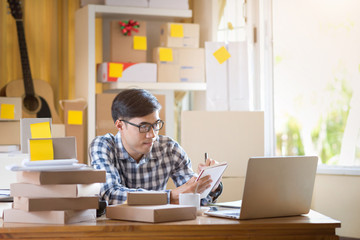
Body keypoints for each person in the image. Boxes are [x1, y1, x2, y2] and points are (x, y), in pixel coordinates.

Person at [89, 88, 223, 205]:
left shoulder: (169, 148)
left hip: (156, 226)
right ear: (120, 125)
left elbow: (193, 196)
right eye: (144, 127)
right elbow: (111, 194)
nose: (152, 135)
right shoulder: (103, 146)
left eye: (156, 125)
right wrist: (171, 196)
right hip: (116, 229)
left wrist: (211, 185)